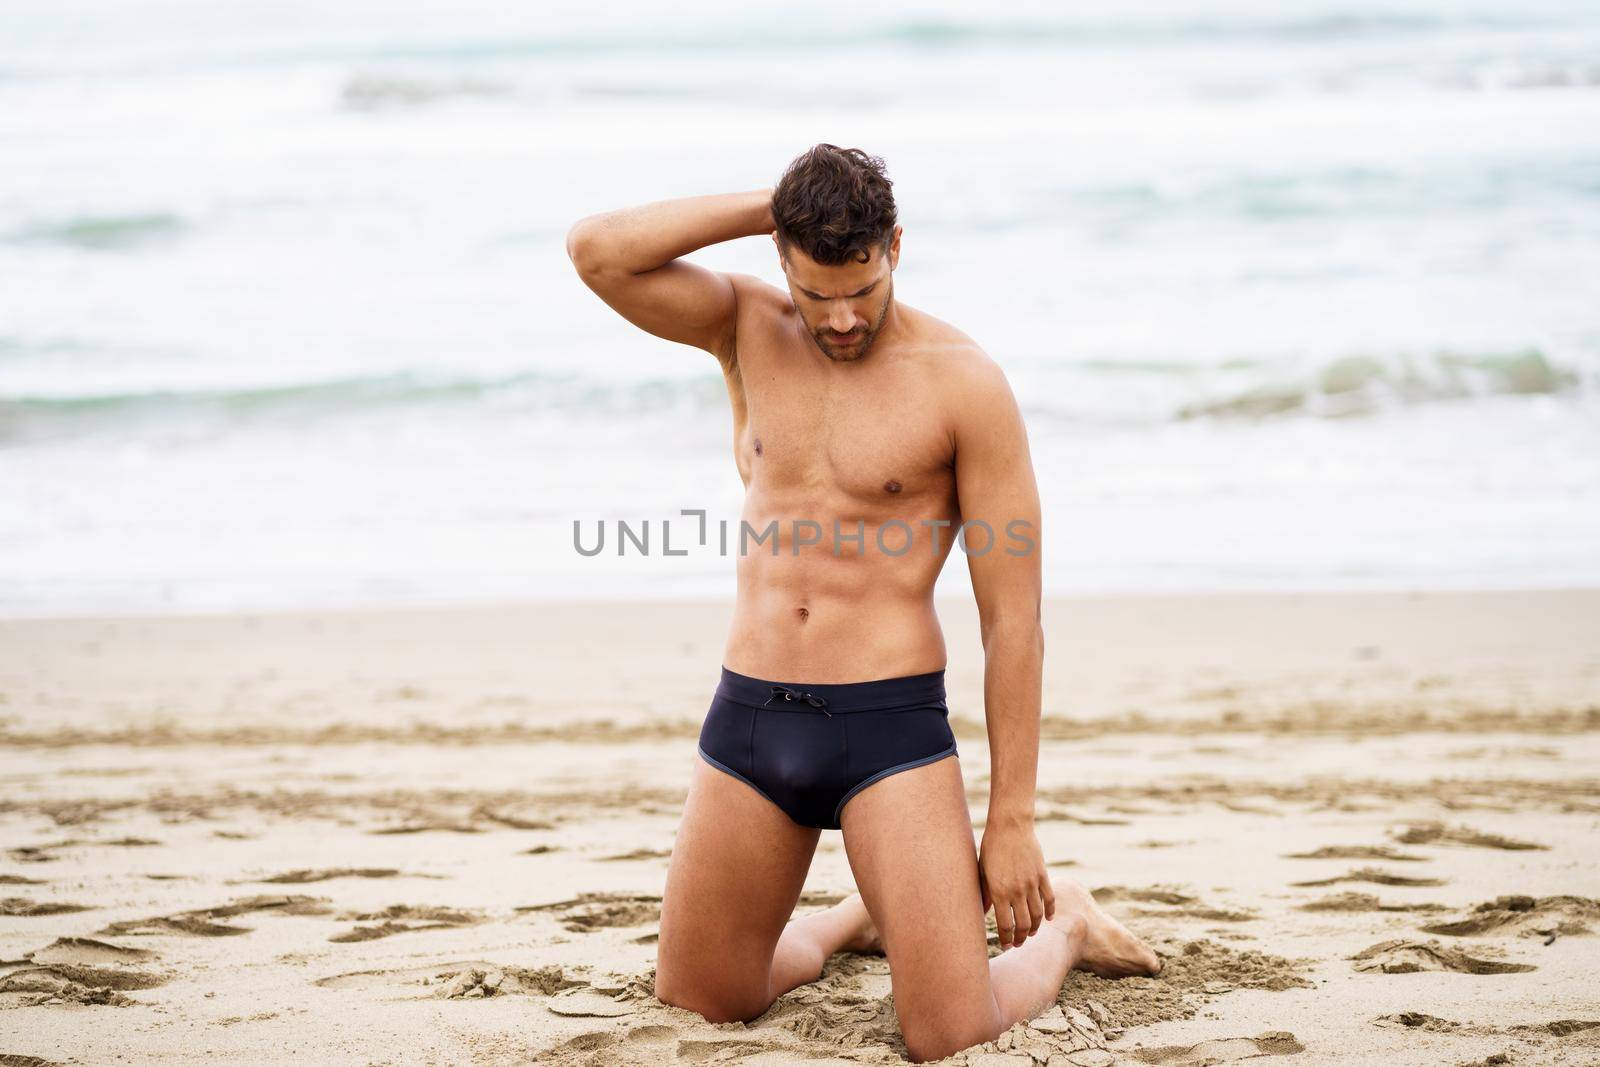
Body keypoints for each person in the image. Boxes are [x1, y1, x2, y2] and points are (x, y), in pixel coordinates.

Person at [565, 143, 1161, 1063]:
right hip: (752, 719)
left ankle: (1067, 931)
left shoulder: (964, 382)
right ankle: (853, 922)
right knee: (703, 997)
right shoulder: (745, 325)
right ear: (781, 260)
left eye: (863, 288)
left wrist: (1012, 820)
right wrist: (776, 205)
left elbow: (1013, 619)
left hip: (889, 731)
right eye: (815, 294)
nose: (841, 319)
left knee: (947, 1032)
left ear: (895, 247)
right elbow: (598, 250)